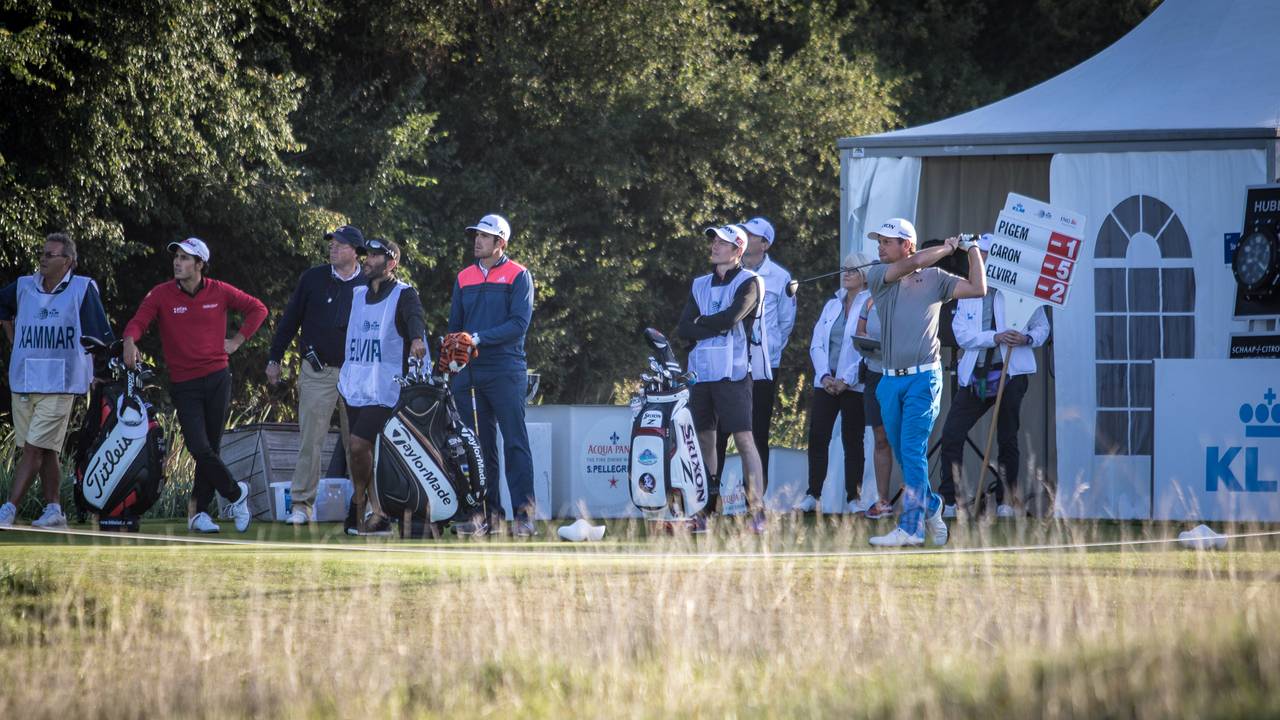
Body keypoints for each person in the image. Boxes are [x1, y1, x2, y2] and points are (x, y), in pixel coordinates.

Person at [122, 238, 267, 533]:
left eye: (186, 258)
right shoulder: (161, 294)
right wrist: (129, 341)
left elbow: (258, 309)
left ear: (200, 265)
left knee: (209, 447)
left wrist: (237, 341)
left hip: (217, 377)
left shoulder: (220, 291)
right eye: (176, 257)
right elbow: (139, 321)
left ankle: (198, 513)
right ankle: (236, 494)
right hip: (184, 382)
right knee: (199, 446)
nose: (178, 262)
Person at [863, 219, 986, 548]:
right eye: (880, 242)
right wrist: (948, 247)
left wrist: (972, 249)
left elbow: (978, 288)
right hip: (889, 382)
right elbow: (915, 263)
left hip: (924, 378)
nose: (880, 247)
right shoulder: (878, 275)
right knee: (906, 455)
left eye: (888, 241)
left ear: (907, 243)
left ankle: (913, 527)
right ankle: (932, 504)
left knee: (914, 451)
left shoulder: (937, 279)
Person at [0, 233, 114, 528]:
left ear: (69, 261)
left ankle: (8, 510)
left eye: (50, 255)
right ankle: (54, 510)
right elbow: (2, 307)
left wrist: (101, 374)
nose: (43, 259)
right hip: (25, 380)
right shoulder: (24, 286)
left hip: (61, 383)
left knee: (33, 449)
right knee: (46, 449)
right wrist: (14, 339)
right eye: (42, 253)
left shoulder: (81, 288)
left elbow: (99, 335)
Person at [937, 233, 1050, 519]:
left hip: (1011, 374)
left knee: (1007, 437)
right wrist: (994, 337)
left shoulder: (1021, 292)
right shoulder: (967, 290)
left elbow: (1042, 328)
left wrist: (1025, 338)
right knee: (952, 433)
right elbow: (962, 334)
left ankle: (1006, 500)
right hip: (975, 374)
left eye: (986, 255)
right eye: (979, 255)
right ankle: (950, 501)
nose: (982, 260)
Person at [266, 224, 368, 525]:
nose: (332, 248)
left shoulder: (369, 283)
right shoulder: (313, 278)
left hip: (356, 374)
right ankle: (302, 505)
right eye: (331, 243)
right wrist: (274, 358)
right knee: (311, 440)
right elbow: (289, 321)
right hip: (317, 370)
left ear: (355, 251)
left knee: (359, 444)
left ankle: (364, 505)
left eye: (340, 244)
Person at [445, 214, 537, 538]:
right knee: (478, 448)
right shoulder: (464, 277)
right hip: (469, 373)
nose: (477, 241)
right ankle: (488, 517)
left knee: (514, 443)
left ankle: (524, 516)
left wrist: (478, 339)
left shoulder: (519, 275)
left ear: (500, 243)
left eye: (484, 236)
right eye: (475, 235)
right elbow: (455, 325)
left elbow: (518, 325)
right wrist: (452, 355)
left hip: (506, 369)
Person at [676, 224, 768, 534]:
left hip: (734, 373)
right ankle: (706, 510)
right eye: (714, 240)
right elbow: (684, 328)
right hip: (701, 374)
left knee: (744, 440)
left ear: (738, 250)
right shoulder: (699, 284)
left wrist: (704, 321)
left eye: (723, 242)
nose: (715, 245)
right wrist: (708, 324)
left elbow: (731, 319)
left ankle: (757, 510)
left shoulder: (750, 281)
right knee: (704, 440)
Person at [336, 238, 427, 536]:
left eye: (375, 256)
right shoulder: (357, 293)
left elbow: (415, 318)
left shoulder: (403, 294)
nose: (368, 260)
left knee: (359, 444)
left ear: (391, 264)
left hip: (385, 387)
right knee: (359, 452)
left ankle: (358, 504)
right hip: (355, 384)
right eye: (367, 255)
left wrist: (415, 339)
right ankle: (376, 513)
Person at [714, 217, 795, 495]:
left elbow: (785, 325)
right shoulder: (727, 272)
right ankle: (711, 500)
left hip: (760, 369)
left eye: (753, 234)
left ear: (765, 243)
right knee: (719, 433)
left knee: (756, 433)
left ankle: (755, 502)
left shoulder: (781, 278)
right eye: (744, 232)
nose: (746, 236)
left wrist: (766, 354)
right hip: (725, 365)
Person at [794, 252, 874, 514]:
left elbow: (867, 347)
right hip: (826, 383)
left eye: (852, 270)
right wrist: (825, 375)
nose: (846, 273)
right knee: (818, 437)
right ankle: (813, 494)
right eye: (844, 269)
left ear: (863, 276)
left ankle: (854, 498)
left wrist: (846, 379)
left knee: (853, 441)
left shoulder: (871, 303)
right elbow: (817, 343)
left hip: (854, 386)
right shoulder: (832, 304)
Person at [852, 289, 896, 520]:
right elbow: (860, 333)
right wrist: (868, 344)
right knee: (880, 437)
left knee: (903, 439)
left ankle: (917, 500)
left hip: (901, 374)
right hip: (874, 373)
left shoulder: (908, 296)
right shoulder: (869, 301)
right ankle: (883, 501)